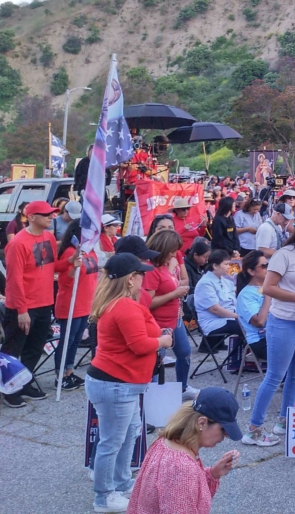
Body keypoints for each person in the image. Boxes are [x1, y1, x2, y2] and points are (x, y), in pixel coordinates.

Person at [86, 253, 171, 514]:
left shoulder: (121, 304)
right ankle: (103, 498)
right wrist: (163, 342)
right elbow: (139, 345)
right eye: (140, 274)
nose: (144, 278)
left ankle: (121, 484)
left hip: (122, 384)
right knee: (112, 441)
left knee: (127, 435)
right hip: (116, 384)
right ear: (130, 279)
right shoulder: (124, 306)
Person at [245, 220, 295, 447]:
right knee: (275, 376)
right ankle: (254, 428)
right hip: (284, 321)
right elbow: (268, 288)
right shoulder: (284, 254)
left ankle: (284, 420)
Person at [126, 387, 242, 514]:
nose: (226, 436)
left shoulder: (163, 442)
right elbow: (181, 485)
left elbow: (186, 494)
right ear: (202, 423)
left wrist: (213, 474)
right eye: (224, 429)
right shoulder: (182, 468)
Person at [1, 200, 60, 407]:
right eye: (46, 214)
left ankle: (24, 382)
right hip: (22, 306)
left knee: (35, 348)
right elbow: (14, 280)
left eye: (52, 214)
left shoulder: (49, 237)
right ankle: (9, 390)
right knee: (13, 349)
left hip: (44, 303)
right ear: (32, 217)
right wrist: (21, 310)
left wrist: (71, 262)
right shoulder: (17, 243)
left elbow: (51, 265)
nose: (51, 217)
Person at [139, 230, 196, 400]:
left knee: (185, 353)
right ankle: (151, 402)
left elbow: (173, 283)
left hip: (174, 319)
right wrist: (174, 294)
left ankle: (182, 388)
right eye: (171, 252)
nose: (173, 256)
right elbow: (148, 302)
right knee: (156, 363)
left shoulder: (164, 266)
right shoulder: (151, 270)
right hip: (159, 324)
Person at [53, 219, 95, 391]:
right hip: (71, 303)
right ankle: (60, 375)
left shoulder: (90, 251)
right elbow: (64, 281)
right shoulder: (70, 252)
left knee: (76, 340)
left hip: (86, 303)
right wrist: (72, 268)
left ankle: (69, 371)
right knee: (67, 341)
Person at [193, 250, 246, 372]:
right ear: (215, 266)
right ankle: (254, 359)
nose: (229, 267)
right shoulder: (205, 283)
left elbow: (234, 302)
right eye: (226, 264)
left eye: (229, 264)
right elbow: (215, 309)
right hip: (213, 322)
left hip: (228, 317)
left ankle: (248, 360)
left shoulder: (226, 281)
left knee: (255, 322)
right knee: (247, 326)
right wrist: (239, 316)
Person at [234, 251, 270, 360]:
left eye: (268, 265)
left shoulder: (270, 287)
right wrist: (268, 295)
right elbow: (259, 322)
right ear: (251, 271)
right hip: (261, 341)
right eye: (264, 266)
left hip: (277, 335)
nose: (267, 268)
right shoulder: (246, 295)